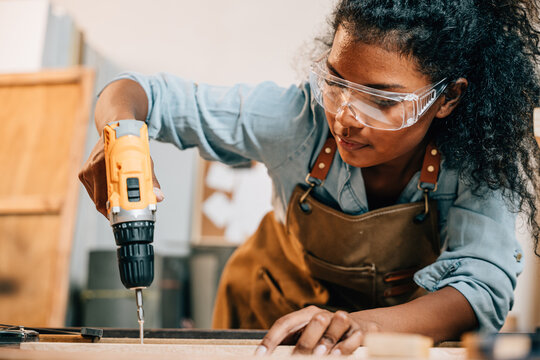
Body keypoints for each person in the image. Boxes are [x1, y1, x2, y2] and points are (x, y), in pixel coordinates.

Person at [79, 0, 540, 355]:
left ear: (448, 98)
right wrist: (121, 135)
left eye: (380, 100)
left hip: (384, 334)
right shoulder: (298, 120)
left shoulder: (477, 160)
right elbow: (139, 93)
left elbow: (479, 288)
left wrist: (367, 326)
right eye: (337, 83)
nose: (344, 118)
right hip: (268, 315)